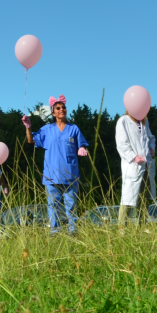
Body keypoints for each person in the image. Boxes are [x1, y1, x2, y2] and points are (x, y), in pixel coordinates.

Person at [23, 95, 90, 235]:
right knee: (53, 206)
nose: (62, 110)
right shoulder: (47, 129)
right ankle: (55, 232)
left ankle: (73, 231)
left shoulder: (73, 129)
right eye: (58, 108)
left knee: (71, 206)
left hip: (70, 174)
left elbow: (82, 143)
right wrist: (28, 128)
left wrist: (82, 148)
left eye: (63, 107)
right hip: (51, 175)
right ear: (53, 112)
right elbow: (31, 140)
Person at [115, 111, 156, 226]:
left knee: (144, 198)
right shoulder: (123, 121)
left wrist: (151, 148)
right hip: (133, 166)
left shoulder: (144, 121)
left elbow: (151, 137)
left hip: (146, 164)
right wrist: (133, 156)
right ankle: (122, 228)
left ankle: (141, 227)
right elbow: (122, 144)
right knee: (128, 198)